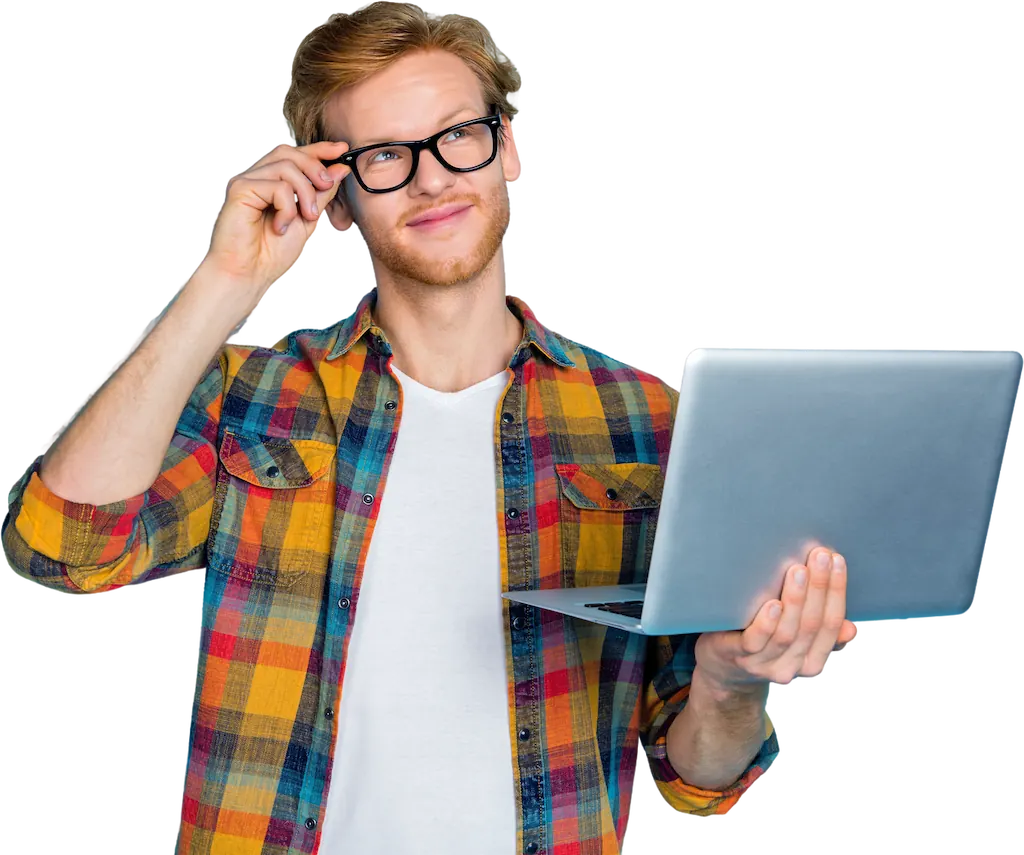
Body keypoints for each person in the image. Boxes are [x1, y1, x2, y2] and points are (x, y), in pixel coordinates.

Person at [1, 3, 856, 853]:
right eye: (384, 155)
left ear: (510, 148)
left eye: (459, 136)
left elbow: (697, 782)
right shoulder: (253, 397)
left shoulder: (652, 421)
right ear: (334, 202)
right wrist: (226, 281)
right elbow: (65, 545)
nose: (432, 178)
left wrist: (731, 681)